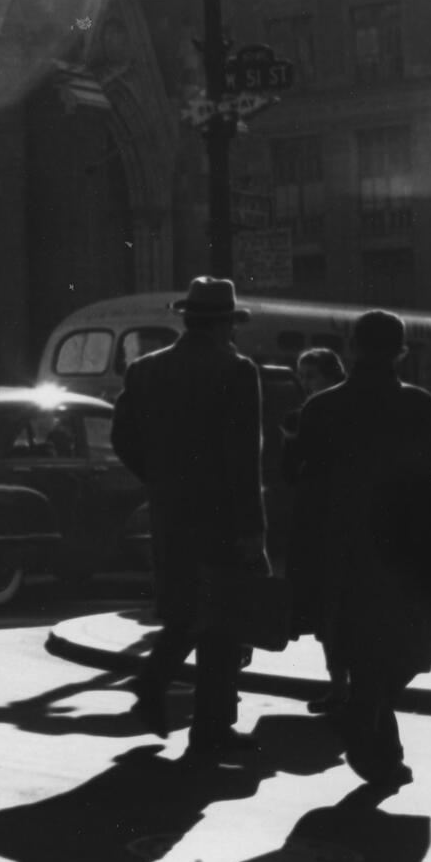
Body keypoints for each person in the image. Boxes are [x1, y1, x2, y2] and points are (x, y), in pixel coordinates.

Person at [111, 276, 268, 764]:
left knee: (183, 610)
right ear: (226, 323)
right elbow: (245, 460)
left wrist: (160, 480)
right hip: (222, 515)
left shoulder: (146, 370)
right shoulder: (237, 370)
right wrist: (253, 531)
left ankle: (160, 681)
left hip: (171, 514)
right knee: (223, 622)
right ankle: (209, 728)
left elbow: (122, 438)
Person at [289, 310, 431, 790]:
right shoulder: (419, 404)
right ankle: (372, 732)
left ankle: (372, 730)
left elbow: (305, 485)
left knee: (359, 646)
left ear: (351, 348)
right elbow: (426, 476)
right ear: (401, 352)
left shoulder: (320, 408)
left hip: (342, 544)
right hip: (405, 541)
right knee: (405, 647)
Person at [280, 347, 348, 713]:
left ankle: (341, 686)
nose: (305, 383)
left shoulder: (308, 414)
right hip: (325, 519)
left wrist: (291, 442)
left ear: (332, 373)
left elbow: (290, 474)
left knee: (329, 604)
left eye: (311, 375)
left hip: (320, 519)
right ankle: (341, 685)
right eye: (302, 376)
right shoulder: (311, 412)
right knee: (329, 606)